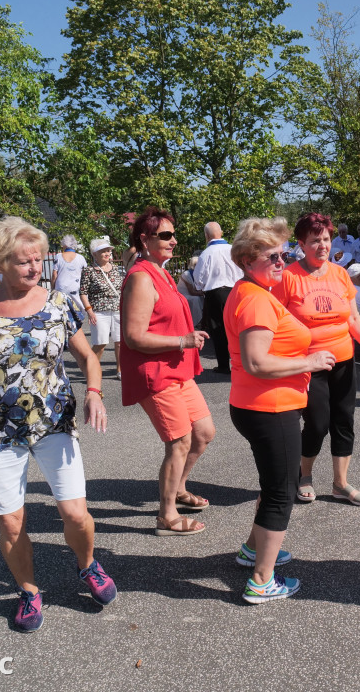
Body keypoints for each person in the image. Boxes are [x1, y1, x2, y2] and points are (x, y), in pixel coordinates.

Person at [0, 216, 116, 633]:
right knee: (10, 520)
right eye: (24, 262)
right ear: (0, 261)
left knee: (76, 513)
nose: (34, 268)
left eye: (38, 260)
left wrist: (94, 393)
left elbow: (88, 358)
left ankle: (88, 564)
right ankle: (28, 590)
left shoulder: (59, 303)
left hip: (54, 424)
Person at [224, 217, 337, 603]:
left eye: (284, 253)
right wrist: (310, 362)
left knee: (274, 484)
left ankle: (253, 551)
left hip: (261, 404)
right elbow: (257, 362)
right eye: (272, 255)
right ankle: (261, 580)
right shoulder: (255, 298)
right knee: (281, 492)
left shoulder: (253, 290)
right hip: (268, 407)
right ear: (247, 259)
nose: (281, 261)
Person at [272, 213, 360, 508]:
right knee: (317, 423)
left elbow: (354, 318)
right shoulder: (288, 277)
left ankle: (341, 483)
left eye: (325, 239)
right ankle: (305, 476)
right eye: (315, 241)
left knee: (344, 420)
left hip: (344, 360)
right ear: (301, 244)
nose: (322, 246)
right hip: (309, 364)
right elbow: (274, 322)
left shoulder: (339, 274)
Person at [120, 207, 214, 536]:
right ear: (144, 240)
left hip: (177, 369)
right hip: (156, 372)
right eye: (165, 235)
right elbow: (134, 336)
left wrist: (185, 342)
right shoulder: (142, 278)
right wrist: (181, 340)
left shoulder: (162, 271)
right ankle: (167, 515)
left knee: (202, 433)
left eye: (174, 234)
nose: (174, 240)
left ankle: (178, 488)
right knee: (179, 441)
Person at [193, 222, 242, 374]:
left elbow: (198, 279)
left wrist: (201, 288)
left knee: (218, 330)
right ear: (221, 232)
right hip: (236, 291)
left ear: (206, 235)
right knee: (237, 328)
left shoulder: (206, 254)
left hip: (215, 293)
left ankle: (223, 365)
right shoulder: (233, 249)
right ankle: (241, 363)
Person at [80, 236, 126, 380]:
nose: (107, 253)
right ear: (94, 254)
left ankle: (120, 370)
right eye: (103, 251)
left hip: (118, 309)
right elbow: (83, 292)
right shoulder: (89, 271)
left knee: (119, 342)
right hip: (99, 311)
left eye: (108, 250)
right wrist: (89, 311)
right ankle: (91, 369)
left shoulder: (117, 269)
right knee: (100, 343)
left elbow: (123, 288)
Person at [51, 234, 87, 303]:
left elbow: (54, 275)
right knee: (78, 309)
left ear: (65, 245)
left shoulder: (58, 256)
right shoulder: (81, 258)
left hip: (61, 287)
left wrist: (52, 288)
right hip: (76, 287)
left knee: (61, 308)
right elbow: (85, 274)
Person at [177, 254, 205, 328]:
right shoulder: (187, 274)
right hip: (184, 295)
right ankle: (197, 321)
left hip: (195, 293)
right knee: (196, 299)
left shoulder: (198, 274)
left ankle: (204, 320)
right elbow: (191, 292)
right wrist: (203, 293)